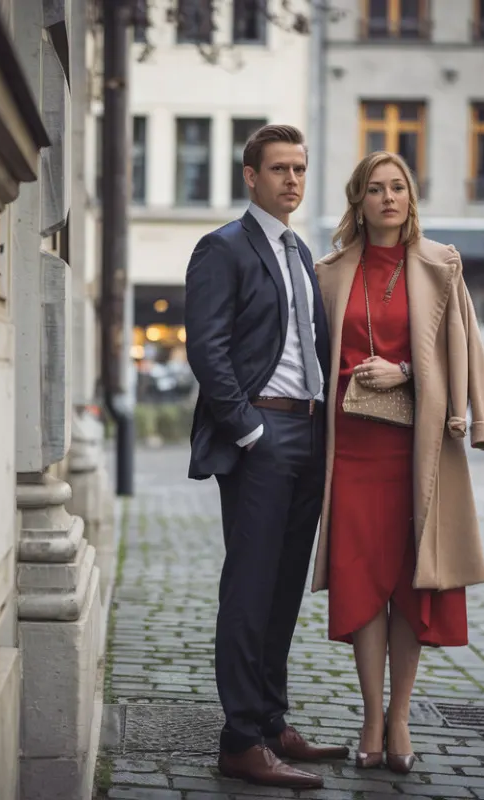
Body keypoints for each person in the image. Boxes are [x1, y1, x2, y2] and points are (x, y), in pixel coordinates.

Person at [307, 151, 484, 774]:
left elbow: (465, 343)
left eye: (399, 187)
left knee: (413, 583)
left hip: (418, 446)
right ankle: (368, 715)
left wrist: (413, 375)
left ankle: (401, 717)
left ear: (410, 198)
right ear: (357, 202)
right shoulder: (329, 272)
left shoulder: (442, 265)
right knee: (364, 580)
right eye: (375, 189)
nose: (389, 197)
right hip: (353, 447)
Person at [184, 124, 348, 790]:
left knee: (282, 592)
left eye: (301, 169)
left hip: (308, 437)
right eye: (279, 169)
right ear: (250, 176)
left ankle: (272, 719)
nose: (292, 181)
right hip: (262, 439)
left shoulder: (300, 251)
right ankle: (240, 740)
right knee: (249, 591)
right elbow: (207, 348)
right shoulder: (222, 248)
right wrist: (249, 431)